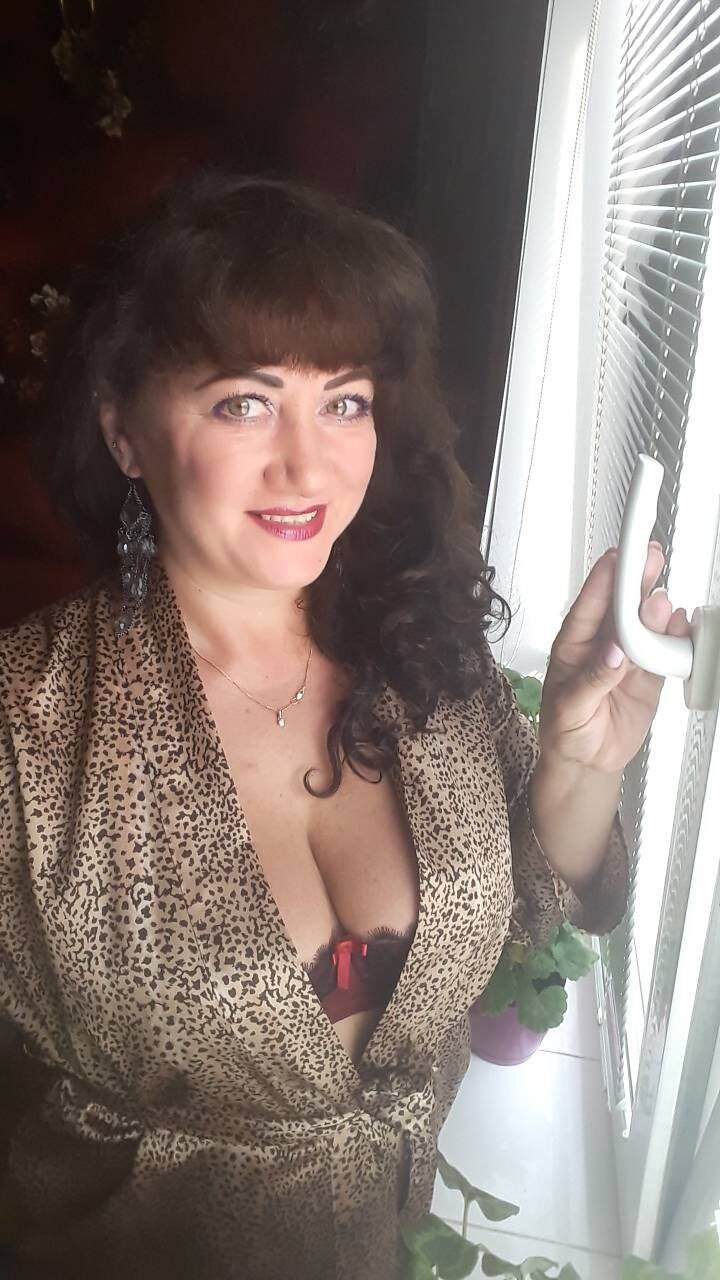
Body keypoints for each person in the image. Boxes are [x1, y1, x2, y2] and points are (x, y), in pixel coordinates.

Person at [0, 168, 687, 1279]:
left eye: (347, 400)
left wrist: (577, 757)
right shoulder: (25, 734)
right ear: (125, 431)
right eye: (244, 401)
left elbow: (535, 903)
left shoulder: (421, 658)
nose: (308, 464)